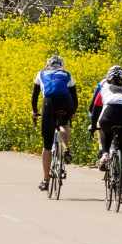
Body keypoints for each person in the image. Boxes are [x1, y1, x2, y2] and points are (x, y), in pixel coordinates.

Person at [88, 65, 122, 204]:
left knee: (103, 128)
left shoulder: (103, 86)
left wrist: (93, 126)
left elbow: (94, 108)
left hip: (108, 115)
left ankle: (105, 153)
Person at [31, 55, 77, 191]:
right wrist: (72, 112)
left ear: (48, 65)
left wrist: (35, 112)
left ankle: (46, 180)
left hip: (49, 102)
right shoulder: (67, 74)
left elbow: (34, 96)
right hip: (65, 102)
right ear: (61, 65)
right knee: (64, 124)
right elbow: (74, 97)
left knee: (47, 146)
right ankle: (66, 148)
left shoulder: (41, 74)